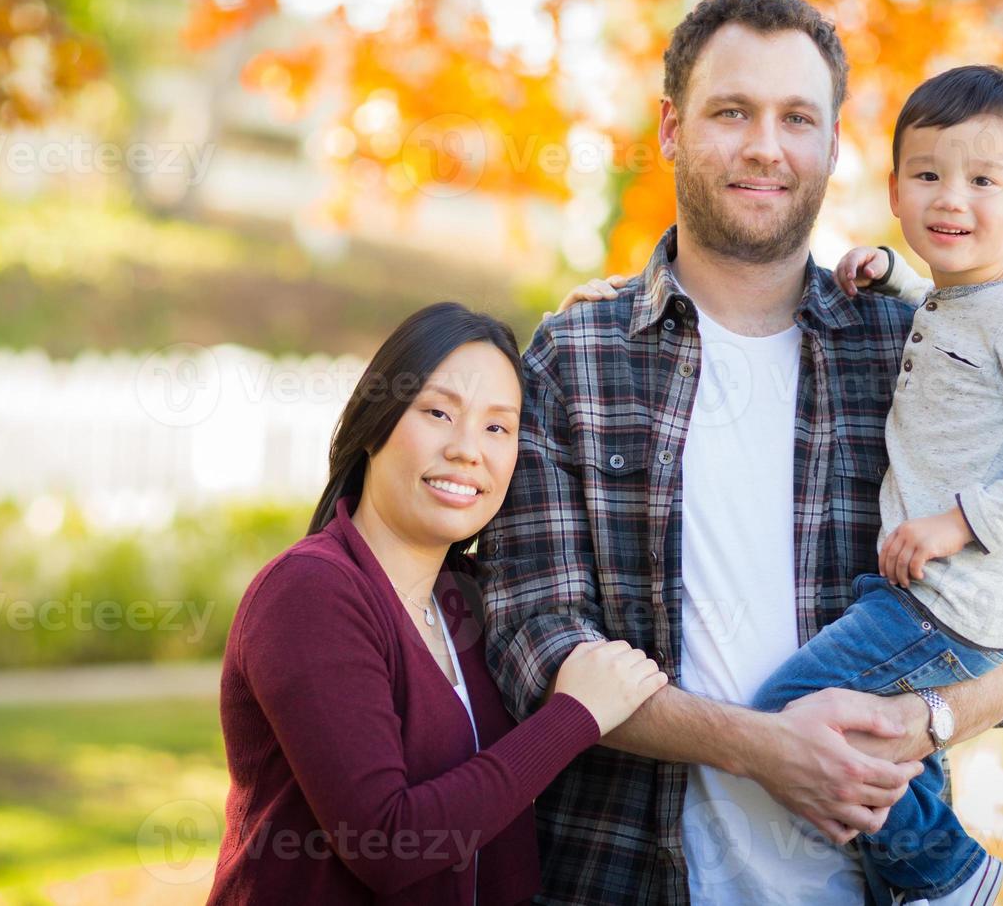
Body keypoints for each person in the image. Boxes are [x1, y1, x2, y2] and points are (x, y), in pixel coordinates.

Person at [478, 0, 1003, 906]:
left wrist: (925, 720)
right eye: (732, 112)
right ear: (674, 129)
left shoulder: (910, 343)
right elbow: (534, 637)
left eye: (797, 117)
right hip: (625, 876)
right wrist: (767, 746)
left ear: (833, 146)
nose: (766, 145)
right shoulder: (580, 357)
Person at [208, 302, 667, 905]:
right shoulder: (310, 593)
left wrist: (615, 309)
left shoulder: (476, 600)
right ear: (375, 423)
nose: (466, 450)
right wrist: (574, 716)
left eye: (497, 427)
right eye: (438, 412)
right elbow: (387, 842)